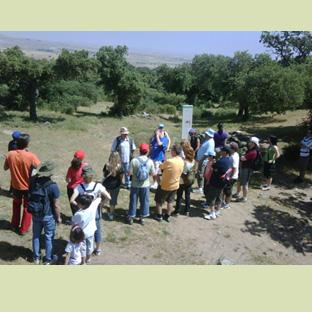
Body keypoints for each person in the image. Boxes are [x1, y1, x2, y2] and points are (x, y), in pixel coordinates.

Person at [4, 133, 41, 235]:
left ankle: (14, 225)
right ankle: (23, 229)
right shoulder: (31, 156)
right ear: (27, 144)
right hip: (28, 186)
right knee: (27, 207)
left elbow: (5, 168)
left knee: (16, 205)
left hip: (16, 186)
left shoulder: (10, 154)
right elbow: (37, 166)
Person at [70, 165, 111, 256]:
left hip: (84, 213)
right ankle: (98, 249)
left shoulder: (79, 187)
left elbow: (72, 200)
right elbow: (109, 197)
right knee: (97, 230)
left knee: (85, 230)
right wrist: (102, 204)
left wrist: (80, 206)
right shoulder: (98, 186)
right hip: (96, 212)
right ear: (92, 175)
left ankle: (85, 250)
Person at [28, 161, 61, 265]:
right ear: (50, 173)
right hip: (48, 215)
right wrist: (59, 217)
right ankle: (48, 259)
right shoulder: (53, 186)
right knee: (48, 236)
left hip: (35, 213)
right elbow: (56, 205)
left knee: (36, 236)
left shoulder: (33, 181)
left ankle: (36, 258)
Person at [127, 143, 156, 225]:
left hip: (135, 185)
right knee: (144, 201)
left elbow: (129, 173)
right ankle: (142, 218)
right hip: (145, 185)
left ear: (139, 150)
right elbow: (153, 174)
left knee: (133, 201)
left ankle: (131, 217)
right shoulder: (150, 161)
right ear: (147, 151)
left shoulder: (134, 160)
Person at [154, 144, 184, 222]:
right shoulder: (181, 161)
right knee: (170, 201)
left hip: (165, 185)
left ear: (174, 151)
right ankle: (167, 216)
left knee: (159, 201)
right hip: (175, 185)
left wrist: (159, 163)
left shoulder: (169, 161)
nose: (170, 151)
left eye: (171, 150)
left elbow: (161, 167)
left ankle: (159, 216)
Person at [204, 146, 233, 220]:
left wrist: (214, 163)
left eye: (222, 151)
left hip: (215, 182)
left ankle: (212, 213)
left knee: (212, 198)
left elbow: (213, 167)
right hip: (223, 183)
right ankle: (217, 211)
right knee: (219, 197)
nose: (220, 152)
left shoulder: (221, 161)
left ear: (225, 152)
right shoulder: (230, 160)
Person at [72, 194, 101, 264]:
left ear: (83, 205)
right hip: (91, 231)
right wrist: (98, 196)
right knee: (90, 246)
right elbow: (98, 200)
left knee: (83, 248)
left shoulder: (78, 214)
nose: (77, 203)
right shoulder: (92, 206)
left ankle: (83, 262)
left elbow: (74, 224)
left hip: (82, 234)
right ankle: (88, 259)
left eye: (78, 203)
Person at [233, 136, 259, 202]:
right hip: (243, 168)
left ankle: (244, 198)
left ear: (253, 143)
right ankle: (237, 193)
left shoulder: (253, 152)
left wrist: (242, 155)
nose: (249, 142)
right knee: (239, 181)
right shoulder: (250, 149)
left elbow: (243, 158)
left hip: (247, 169)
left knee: (245, 184)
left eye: (250, 142)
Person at [175, 142, 195, 216]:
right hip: (189, 181)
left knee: (179, 196)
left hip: (182, 181)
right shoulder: (193, 161)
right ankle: (187, 210)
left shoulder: (185, 162)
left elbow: (183, 172)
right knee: (187, 195)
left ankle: (177, 210)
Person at [102, 152, 123, 221]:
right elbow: (121, 177)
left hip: (106, 184)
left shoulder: (107, 165)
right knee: (113, 200)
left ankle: (99, 210)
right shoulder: (120, 167)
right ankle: (111, 214)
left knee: (104, 198)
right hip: (116, 185)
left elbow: (104, 175)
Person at [65, 150, 87, 215]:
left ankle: (75, 219)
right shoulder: (84, 166)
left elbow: (68, 180)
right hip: (81, 188)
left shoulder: (71, 168)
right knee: (82, 204)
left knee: (74, 206)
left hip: (71, 189)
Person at [195, 129, 215, 193]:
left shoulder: (210, 142)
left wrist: (201, 160)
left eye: (206, 134)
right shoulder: (208, 140)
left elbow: (207, 153)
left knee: (200, 173)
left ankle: (200, 188)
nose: (205, 135)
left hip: (203, 160)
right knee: (200, 173)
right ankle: (200, 186)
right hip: (202, 160)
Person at [222, 142, 240, 209]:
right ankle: (223, 202)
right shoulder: (234, 154)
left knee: (228, 191)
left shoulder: (234, 157)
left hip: (232, 177)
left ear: (233, 149)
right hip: (229, 175)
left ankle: (227, 204)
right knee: (225, 189)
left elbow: (234, 168)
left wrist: (230, 177)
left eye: (229, 147)